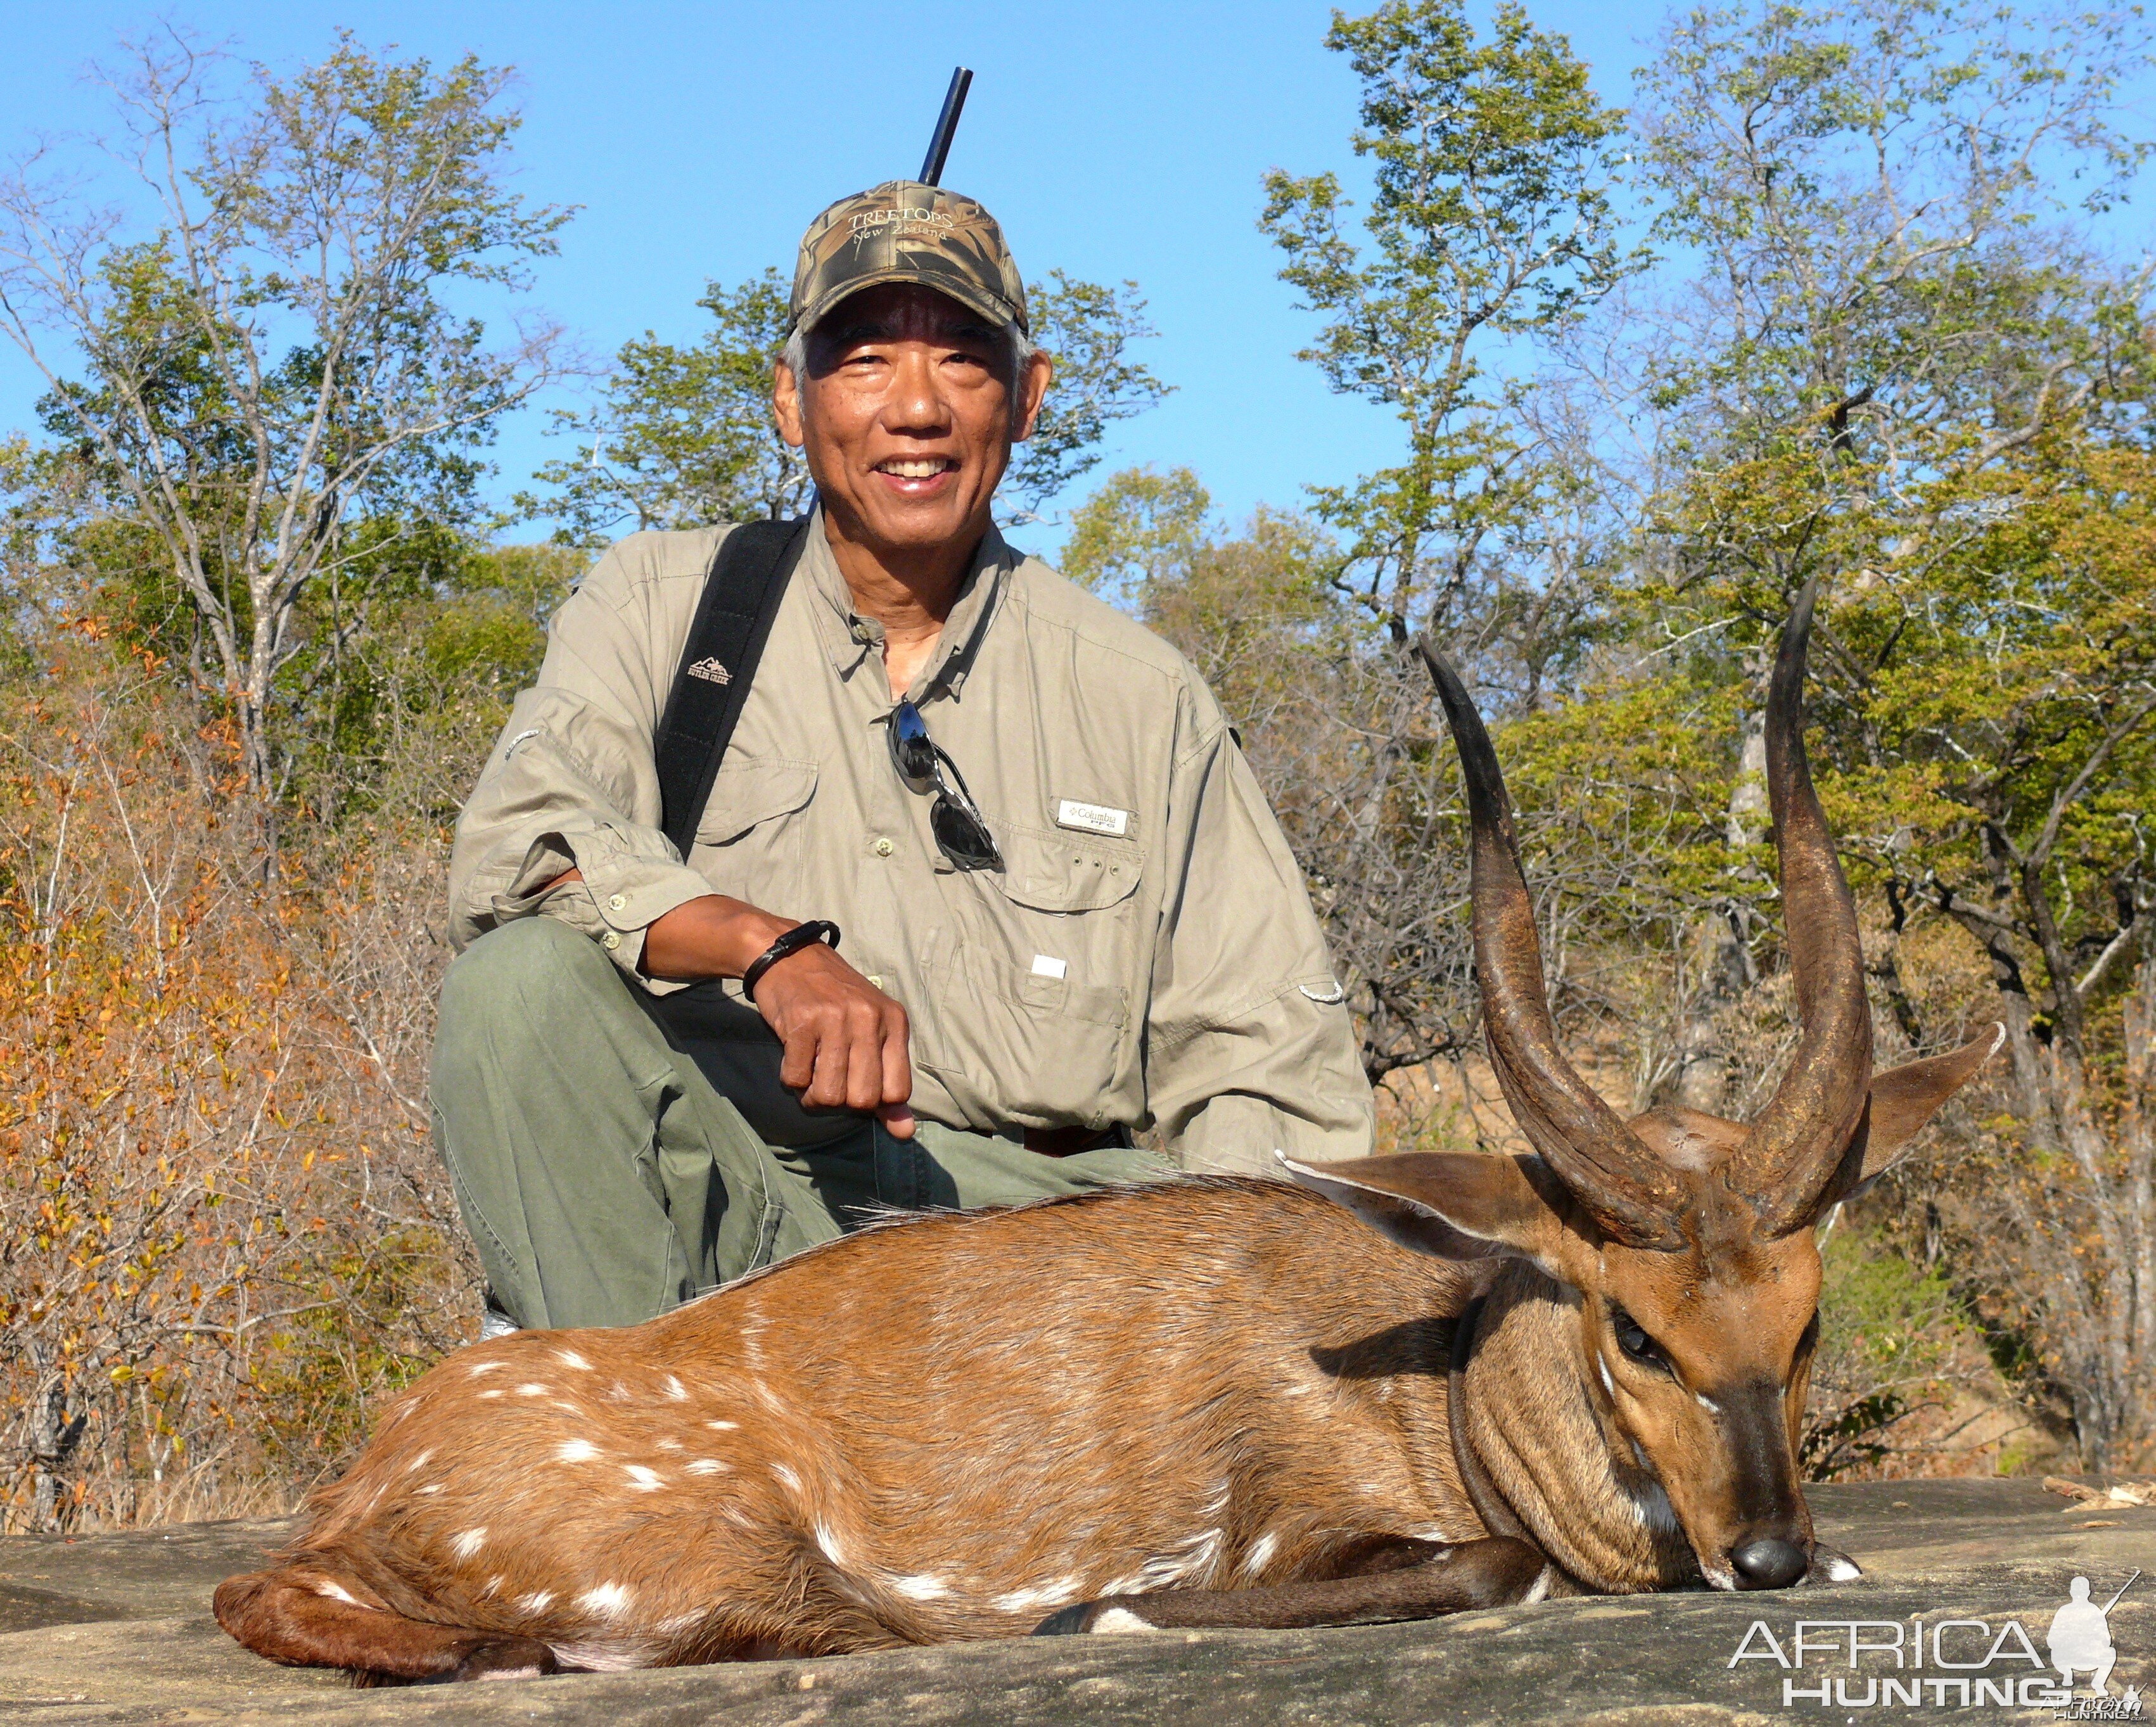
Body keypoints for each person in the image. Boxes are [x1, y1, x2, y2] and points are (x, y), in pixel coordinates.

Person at [432, 179, 1374, 1332]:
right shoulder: (659, 607)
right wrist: (765, 946)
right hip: (727, 1216)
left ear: (1026, 399)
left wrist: (1243, 1339)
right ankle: (641, 1461)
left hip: (1029, 1254)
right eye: (867, 358)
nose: (916, 409)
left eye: (964, 361)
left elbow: (1268, 1073)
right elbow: (517, 850)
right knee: (514, 988)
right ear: (791, 398)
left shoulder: (1141, 695)